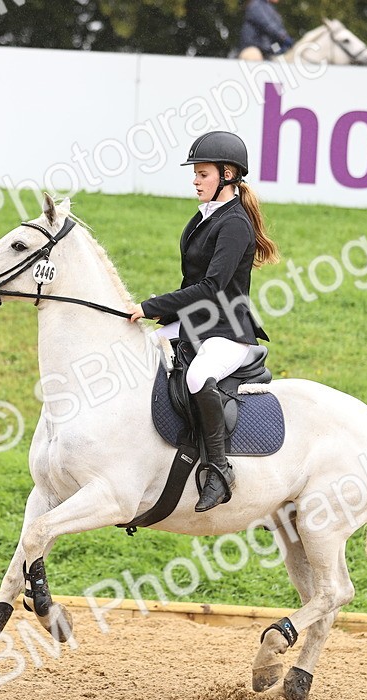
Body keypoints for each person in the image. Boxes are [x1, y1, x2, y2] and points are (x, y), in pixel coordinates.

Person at [127, 131, 280, 513]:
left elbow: (212, 287)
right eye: (195, 174)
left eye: (203, 174)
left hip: (228, 329)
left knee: (198, 377)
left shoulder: (235, 224)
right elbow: (190, 283)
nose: (195, 181)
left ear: (227, 175)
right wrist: (159, 316)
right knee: (138, 349)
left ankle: (219, 467)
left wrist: (150, 305)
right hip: (197, 322)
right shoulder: (203, 217)